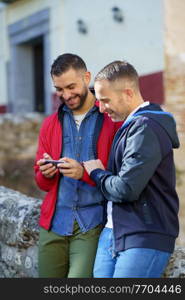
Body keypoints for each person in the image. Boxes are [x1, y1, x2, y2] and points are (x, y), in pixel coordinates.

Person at [84, 60, 180, 278]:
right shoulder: (133, 125)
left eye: (105, 100)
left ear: (128, 93)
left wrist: (96, 173)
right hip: (113, 233)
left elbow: (126, 188)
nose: (101, 108)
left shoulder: (145, 126)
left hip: (144, 236)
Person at [34, 53, 122, 278]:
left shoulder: (111, 121)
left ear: (87, 77)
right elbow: (42, 183)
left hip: (91, 224)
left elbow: (120, 176)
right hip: (53, 224)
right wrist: (46, 173)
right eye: (59, 89)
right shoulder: (50, 124)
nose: (66, 95)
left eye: (71, 86)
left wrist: (83, 173)